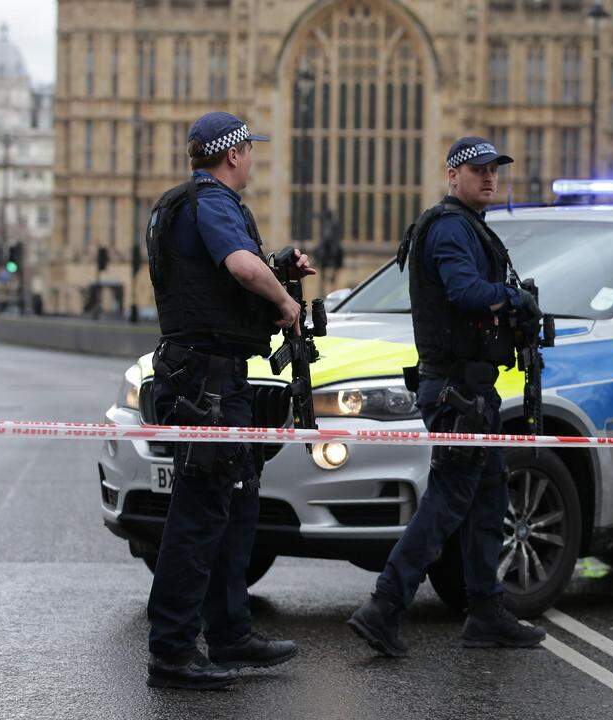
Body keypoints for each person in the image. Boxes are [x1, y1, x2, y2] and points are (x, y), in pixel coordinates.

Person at [347, 136, 545, 657]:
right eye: (477, 169)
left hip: (473, 388)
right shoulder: (451, 228)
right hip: (457, 390)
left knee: (488, 499)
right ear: (452, 175)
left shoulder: (467, 226)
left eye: (493, 169)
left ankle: (485, 612)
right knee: (447, 502)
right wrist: (514, 298)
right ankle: (384, 606)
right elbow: (463, 292)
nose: (488, 177)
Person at [144, 111, 314, 689]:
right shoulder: (212, 202)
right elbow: (240, 268)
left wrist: (280, 267)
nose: (253, 159)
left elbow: (224, 275)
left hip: (208, 376)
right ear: (233, 154)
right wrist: (286, 303)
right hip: (207, 382)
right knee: (198, 517)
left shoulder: (180, 203)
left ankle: (230, 630)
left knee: (236, 505)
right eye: (249, 149)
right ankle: (171, 652)